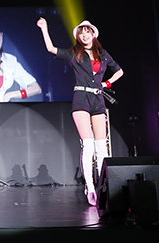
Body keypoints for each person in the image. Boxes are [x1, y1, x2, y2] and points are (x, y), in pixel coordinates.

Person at [37, 18, 123, 206]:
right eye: (81, 33)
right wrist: (44, 28)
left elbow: (119, 71)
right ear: (78, 37)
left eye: (87, 32)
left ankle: (102, 186)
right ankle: (90, 187)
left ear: (93, 34)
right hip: (81, 99)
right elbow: (51, 48)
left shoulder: (102, 54)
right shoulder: (74, 53)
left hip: (98, 100)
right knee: (88, 145)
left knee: (102, 147)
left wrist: (107, 83)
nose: (84, 35)